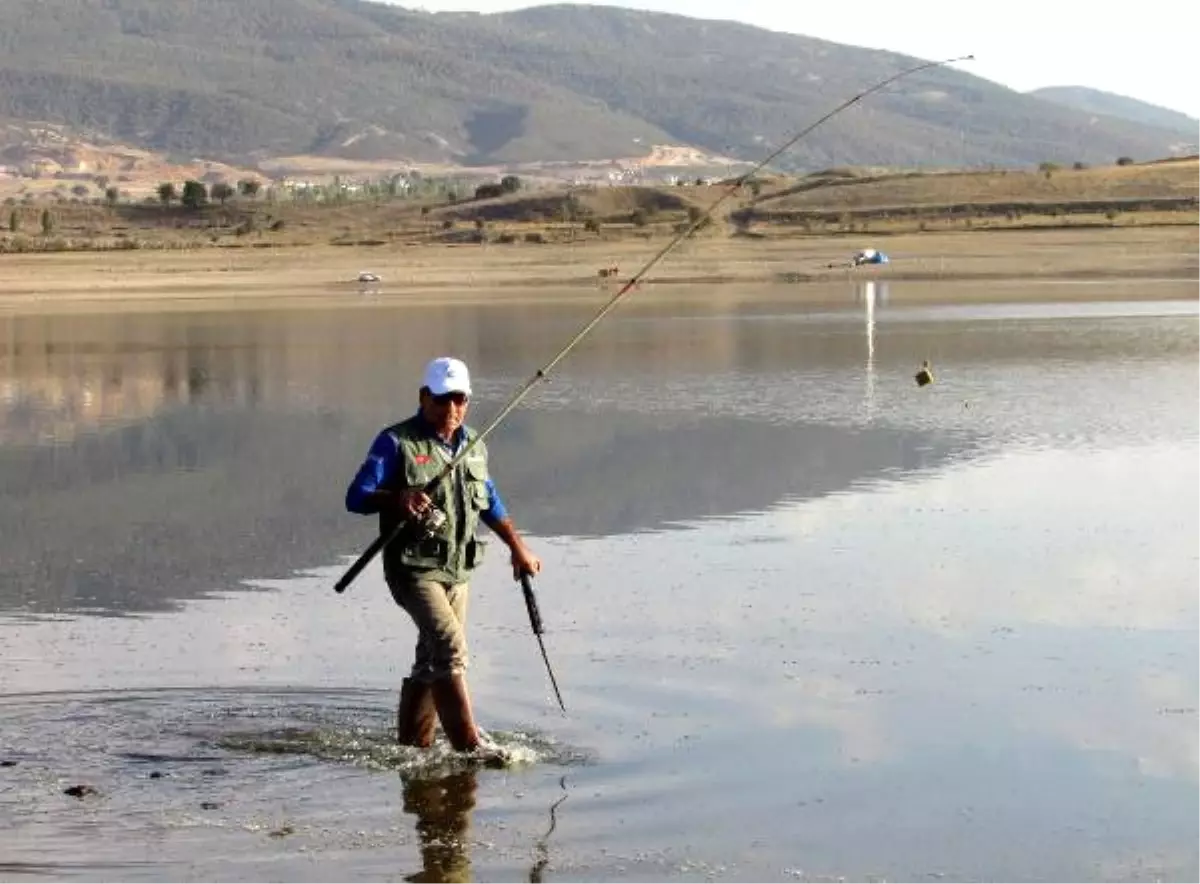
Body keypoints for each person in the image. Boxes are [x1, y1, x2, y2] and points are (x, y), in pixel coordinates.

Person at [344, 356, 542, 755]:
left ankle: (412, 749)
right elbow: (356, 497)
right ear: (423, 397)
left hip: (458, 571)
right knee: (451, 649)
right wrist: (398, 498)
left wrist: (518, 548)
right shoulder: (395, 441)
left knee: (430, 659)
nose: (451, 409)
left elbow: (489, 500)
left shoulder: (474, 443)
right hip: (412, 571)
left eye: (459, 399)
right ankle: (470, 749)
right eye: (442, 399)